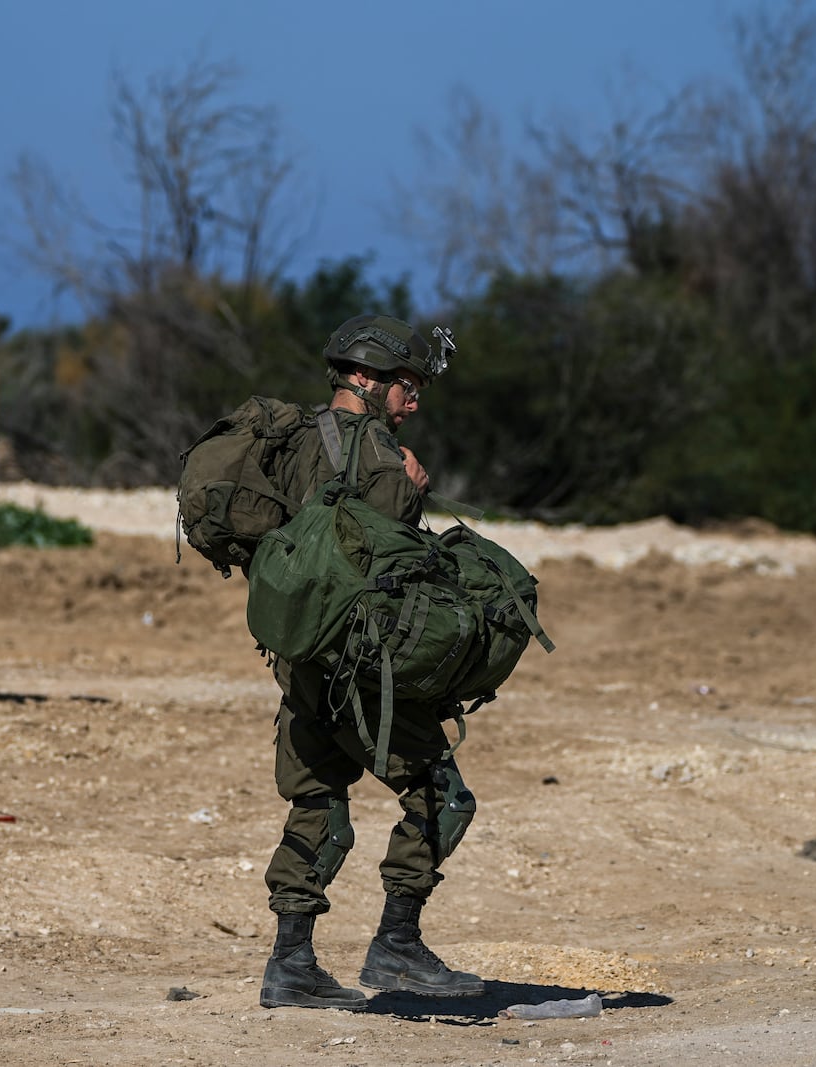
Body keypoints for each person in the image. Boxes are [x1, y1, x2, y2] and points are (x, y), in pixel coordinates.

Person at [255, 314, 486, 1010]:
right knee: (443, 797)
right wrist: (412, 489)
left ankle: (290, 963)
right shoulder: (385, 462)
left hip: (299, 659)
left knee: (319, 804)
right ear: (364, 377)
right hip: (357, 670)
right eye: (405, 384)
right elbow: (393, 565)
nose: (414, 398)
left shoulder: (294, 443)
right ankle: (397, 945)